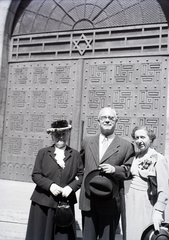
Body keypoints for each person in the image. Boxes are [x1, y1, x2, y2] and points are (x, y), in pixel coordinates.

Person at [79, 107, 135, 240]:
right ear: (98, 121)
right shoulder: (87, 141)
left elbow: (130, 171)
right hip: (89, 199)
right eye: (104, 117)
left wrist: (115, 170)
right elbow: (80, 166)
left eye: (111, 118)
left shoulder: (126, 145)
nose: (107, 120)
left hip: (110, 201)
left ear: (116, 121)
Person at [25, 120, 84, 240]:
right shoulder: (43, 153)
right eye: (57, 134)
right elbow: (36, 174)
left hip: (64, 204)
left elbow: (81, 175)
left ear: (68, 134)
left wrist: (71, 187)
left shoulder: (76, 155)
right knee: (40, 235)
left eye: (64, 134)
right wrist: (50, 185)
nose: (60, 137)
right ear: (52, 136)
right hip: (43, 202)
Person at [126, 126, 169, 240]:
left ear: (150, 139)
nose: (139, 141)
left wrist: (158, 211)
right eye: (137, 138)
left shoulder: (158, 159)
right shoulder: (134, 157)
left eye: (143, 137)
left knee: (145, 235)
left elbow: (164, 189)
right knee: (131, 234)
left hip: (147, 204)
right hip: (132, 202)